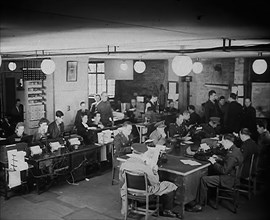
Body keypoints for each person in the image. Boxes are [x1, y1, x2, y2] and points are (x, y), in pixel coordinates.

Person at [186, 133, 243, 212]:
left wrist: (213, 162)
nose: (221, 143)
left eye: (222, 141)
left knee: (203, 179)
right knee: (210, 173)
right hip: (232, 176)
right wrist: (220, 159)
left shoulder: (232, 155)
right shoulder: (235, 150)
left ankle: (199, 204)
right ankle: (207, 197)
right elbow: (230, 162)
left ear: (227, 141)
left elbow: (224, 170)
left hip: (228, 179)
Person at [119, 143, 178, 217]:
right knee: (170, 185)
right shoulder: (146, 168)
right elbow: (155, 182)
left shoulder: (124, 165)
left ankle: (131, 205)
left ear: (133, 152)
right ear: (143, 155)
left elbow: (121, 179)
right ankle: (167, 210)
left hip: (129, 191)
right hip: (144, 193)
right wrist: (155, 171)